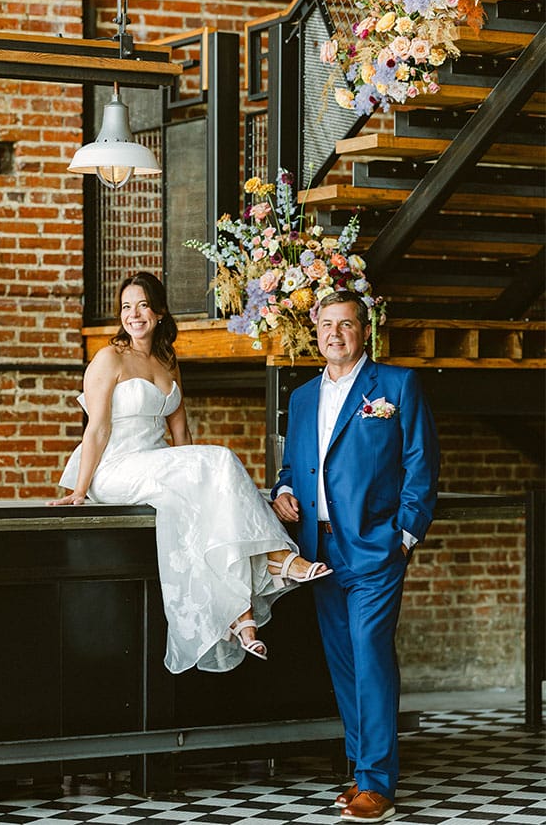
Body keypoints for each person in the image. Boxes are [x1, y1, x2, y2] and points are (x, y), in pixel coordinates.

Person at [49, 271, 331, 674]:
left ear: (160, 312)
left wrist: (203, 480)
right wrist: (79, 491)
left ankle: (238, 614)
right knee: (218, 459)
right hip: (114, 468)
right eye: (126, 307)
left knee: (209, 483)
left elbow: (182, 434)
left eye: (143, 305)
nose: (134, 314)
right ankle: (277, 556)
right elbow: (97, 428)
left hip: (157, 463)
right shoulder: (109, 357)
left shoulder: (167, 360)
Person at [271, 291, 439, 823]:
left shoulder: (394, 386)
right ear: (315, 330)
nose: (334, 334)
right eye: (326, 325)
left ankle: (378, 783)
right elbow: (292, 467)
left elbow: (421, 465)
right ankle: (361, 769)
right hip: (317, 548)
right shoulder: (300, 398)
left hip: (375, 546)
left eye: (346, 325)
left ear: (364, 331)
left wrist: (403, 536)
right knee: (344, 663)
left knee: (370, 655)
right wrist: (281, 491)